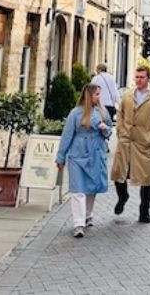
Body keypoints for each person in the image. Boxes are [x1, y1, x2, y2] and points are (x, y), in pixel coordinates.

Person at [110, 65, 150, 224]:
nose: (138, 80)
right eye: (137, 77)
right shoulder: (128, 96)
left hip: (144, 141)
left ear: (148, 78)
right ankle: (123, 197)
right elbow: (119, 115)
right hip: (126, 140)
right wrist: (120, 132)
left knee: (147, 179)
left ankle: (144, 211)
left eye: (141, 77)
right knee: (118, 174)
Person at [55, 84, 112, 238]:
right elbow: (67, 135)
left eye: (99, 94)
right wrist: (61, 157)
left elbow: (109, 131)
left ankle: (87, 214)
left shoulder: (102, 111)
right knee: (78, 189)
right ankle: (78, 223)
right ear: (89, 96)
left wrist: (103, 128)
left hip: (96, 152)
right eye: (96, 94)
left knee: (92, 187)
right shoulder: (75, 113)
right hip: (77, 154)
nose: (99, 97)